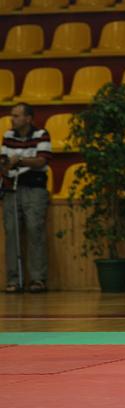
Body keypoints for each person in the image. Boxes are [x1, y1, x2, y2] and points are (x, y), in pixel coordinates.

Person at [1, 104, 51, 293]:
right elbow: (4, 163)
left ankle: (38, 279)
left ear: (28, 118)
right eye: (12, 115)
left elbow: (41, 161)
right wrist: (10, 164)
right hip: (11, 188)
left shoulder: (41, 134)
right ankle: (14, 280)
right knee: (11, 233)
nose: (12, 119)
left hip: (34, 188)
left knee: (34, 230)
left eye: (16, 116)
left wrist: (18, 161)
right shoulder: (8, 135)